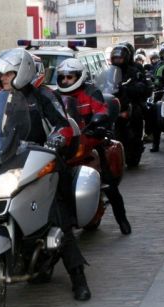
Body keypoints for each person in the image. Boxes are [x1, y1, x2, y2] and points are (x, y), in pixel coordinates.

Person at [0, 48, 92, 303]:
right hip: (6, 163)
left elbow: (63, 125)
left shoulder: (45, 96)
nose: (1, 79)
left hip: (39, 162)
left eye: (7, 74)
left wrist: (57, 139)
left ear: (21, 72)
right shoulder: (0, 99)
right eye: (1, 75)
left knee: (58, 215)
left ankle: (78, 278)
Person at [56, 58, 131, 235]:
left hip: (90, 139)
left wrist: (99, 123)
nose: (65, 81)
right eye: (63, 77)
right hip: (66, 143)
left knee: (109, 183)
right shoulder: (57, 96)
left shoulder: (91, 92)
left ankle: (122, 220)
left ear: (79, 77)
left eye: (70, 77)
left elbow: (101, 110)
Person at [109, 44, 151, 163]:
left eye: (120, 58)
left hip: (130, 101)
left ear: (126, 58)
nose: (117, 61)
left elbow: (143, 84)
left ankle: (142, 137)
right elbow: (101, 83)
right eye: (115, 58)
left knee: (141, 111)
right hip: (114, 102)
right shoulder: (109, 71)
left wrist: (136, 87)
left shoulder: (134, 70)